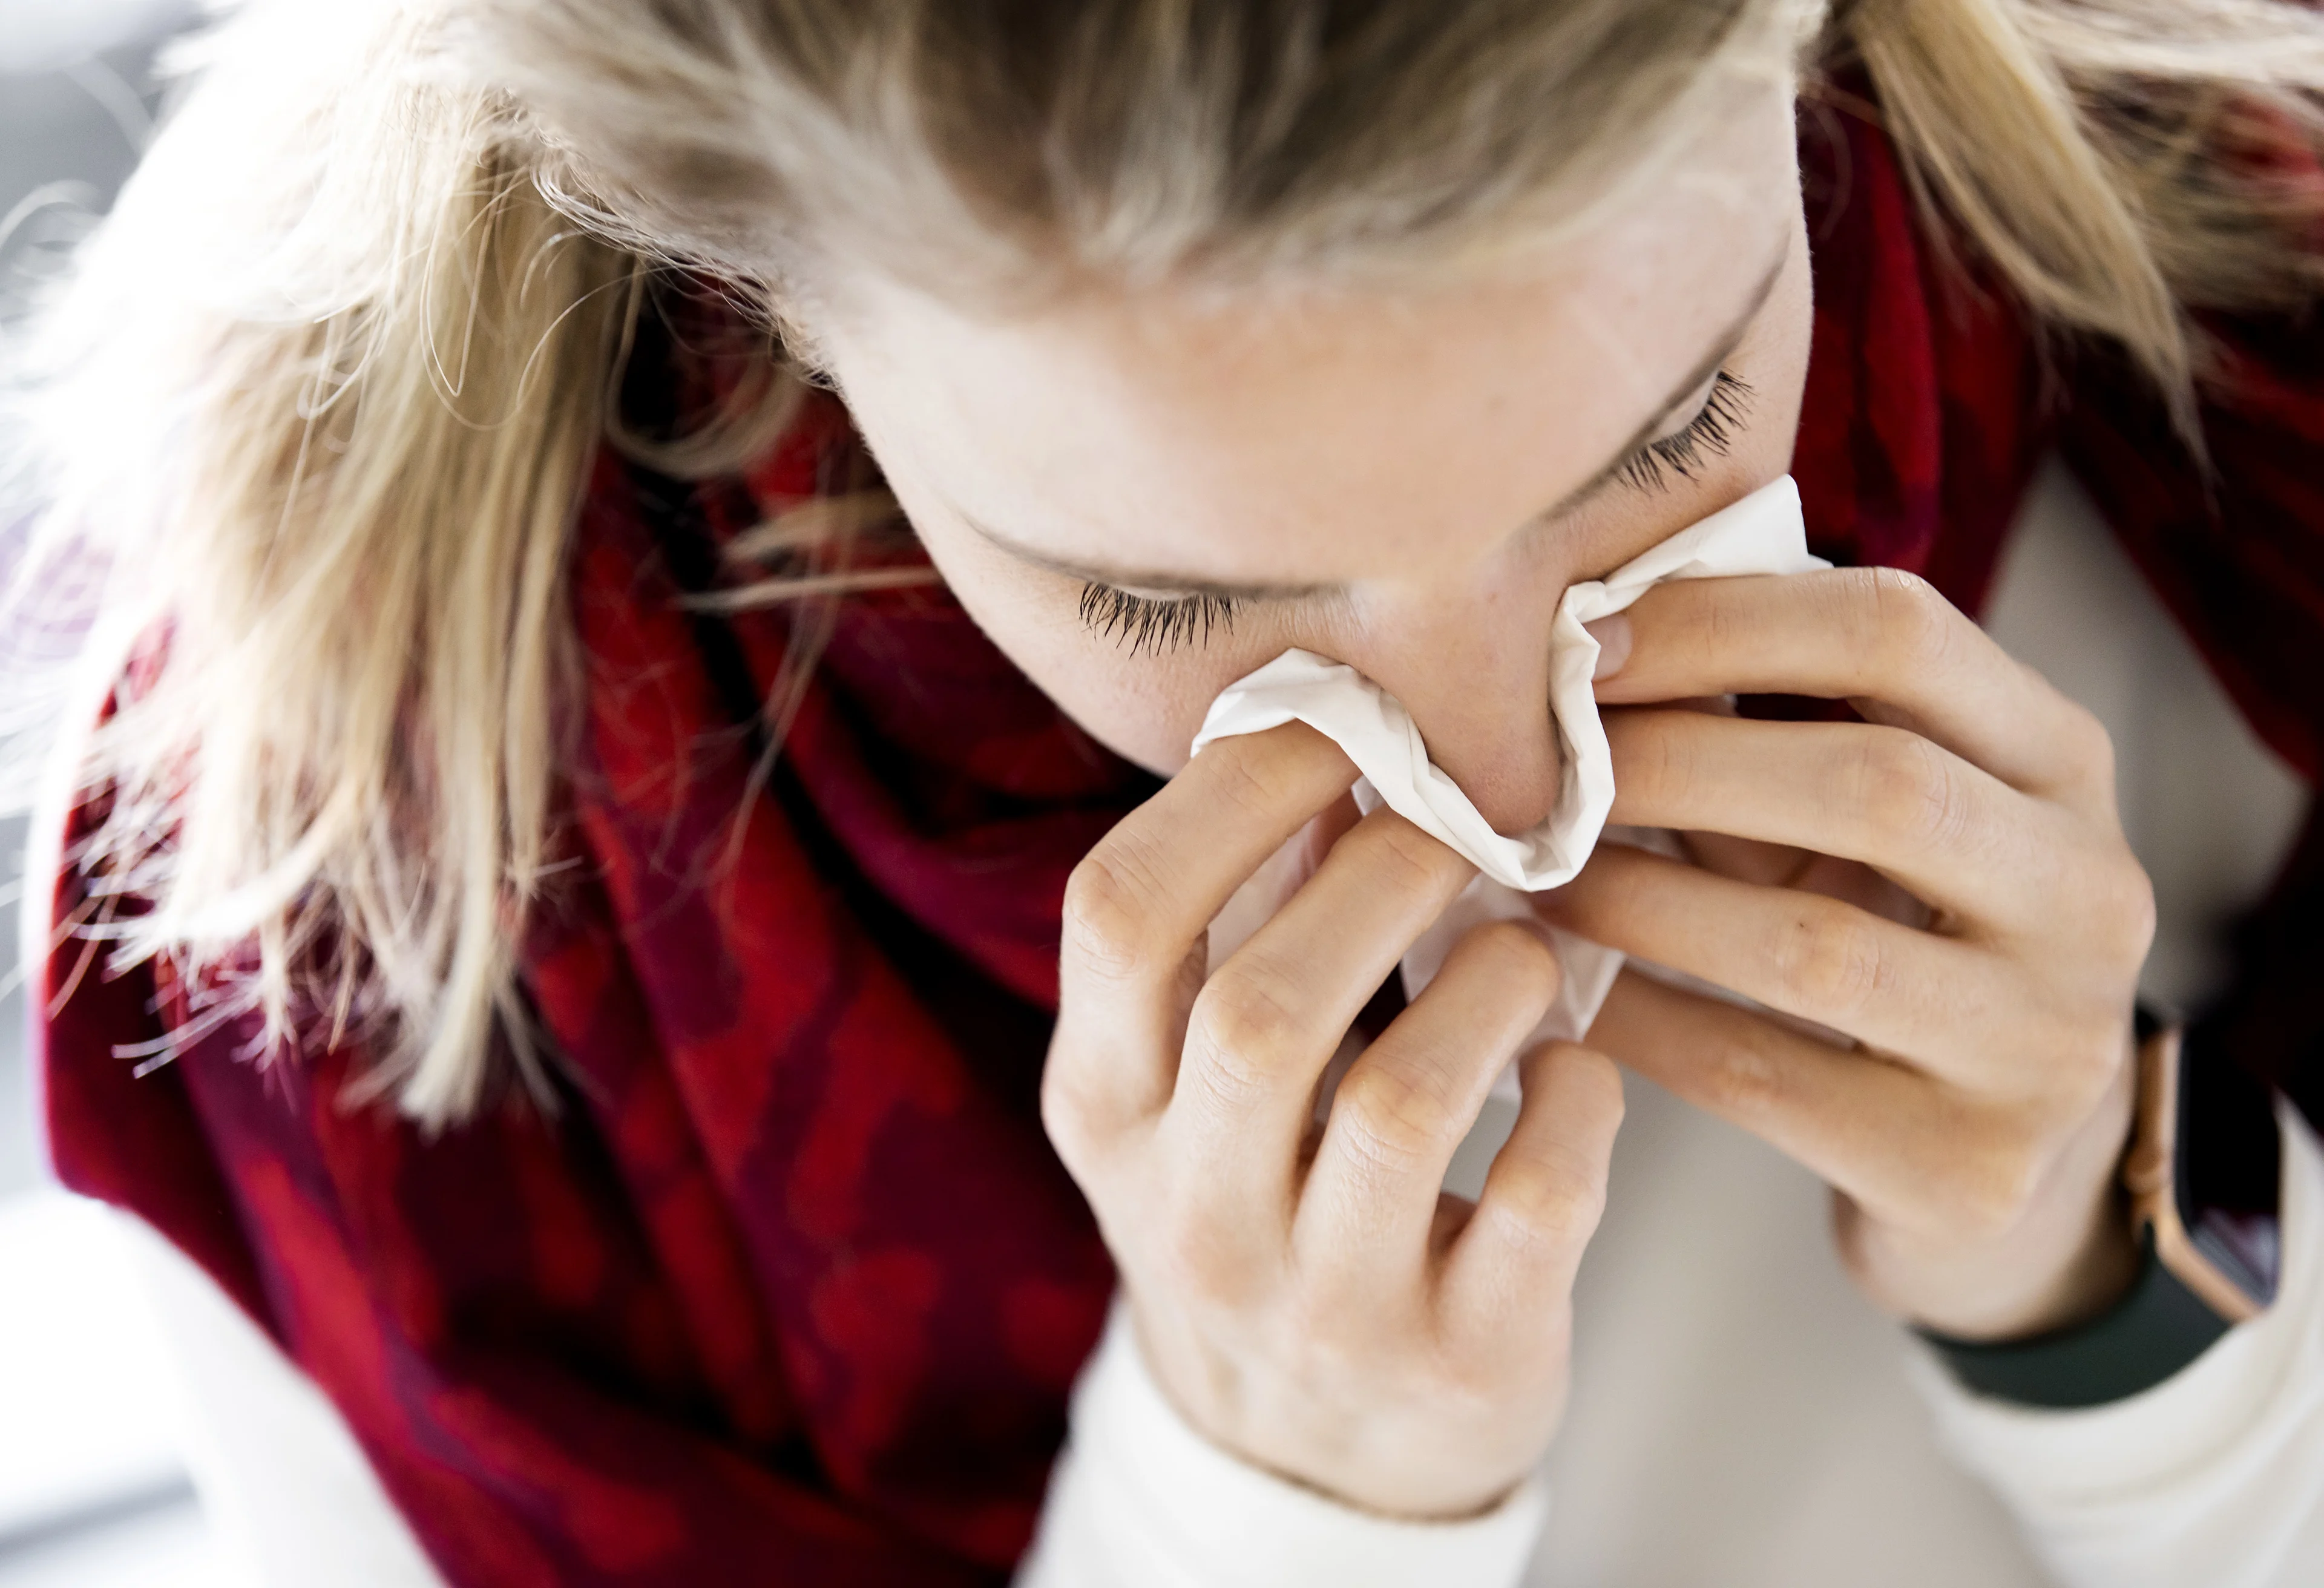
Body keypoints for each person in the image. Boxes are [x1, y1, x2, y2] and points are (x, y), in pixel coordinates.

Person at [10, 0, 2324, 1582]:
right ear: (745, 283)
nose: (1519, 794)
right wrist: (1264, 1491)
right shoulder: (325, 951)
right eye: (1167, 600)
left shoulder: (2233, 341)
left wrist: (2124, 1264)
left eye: (1667, 433)